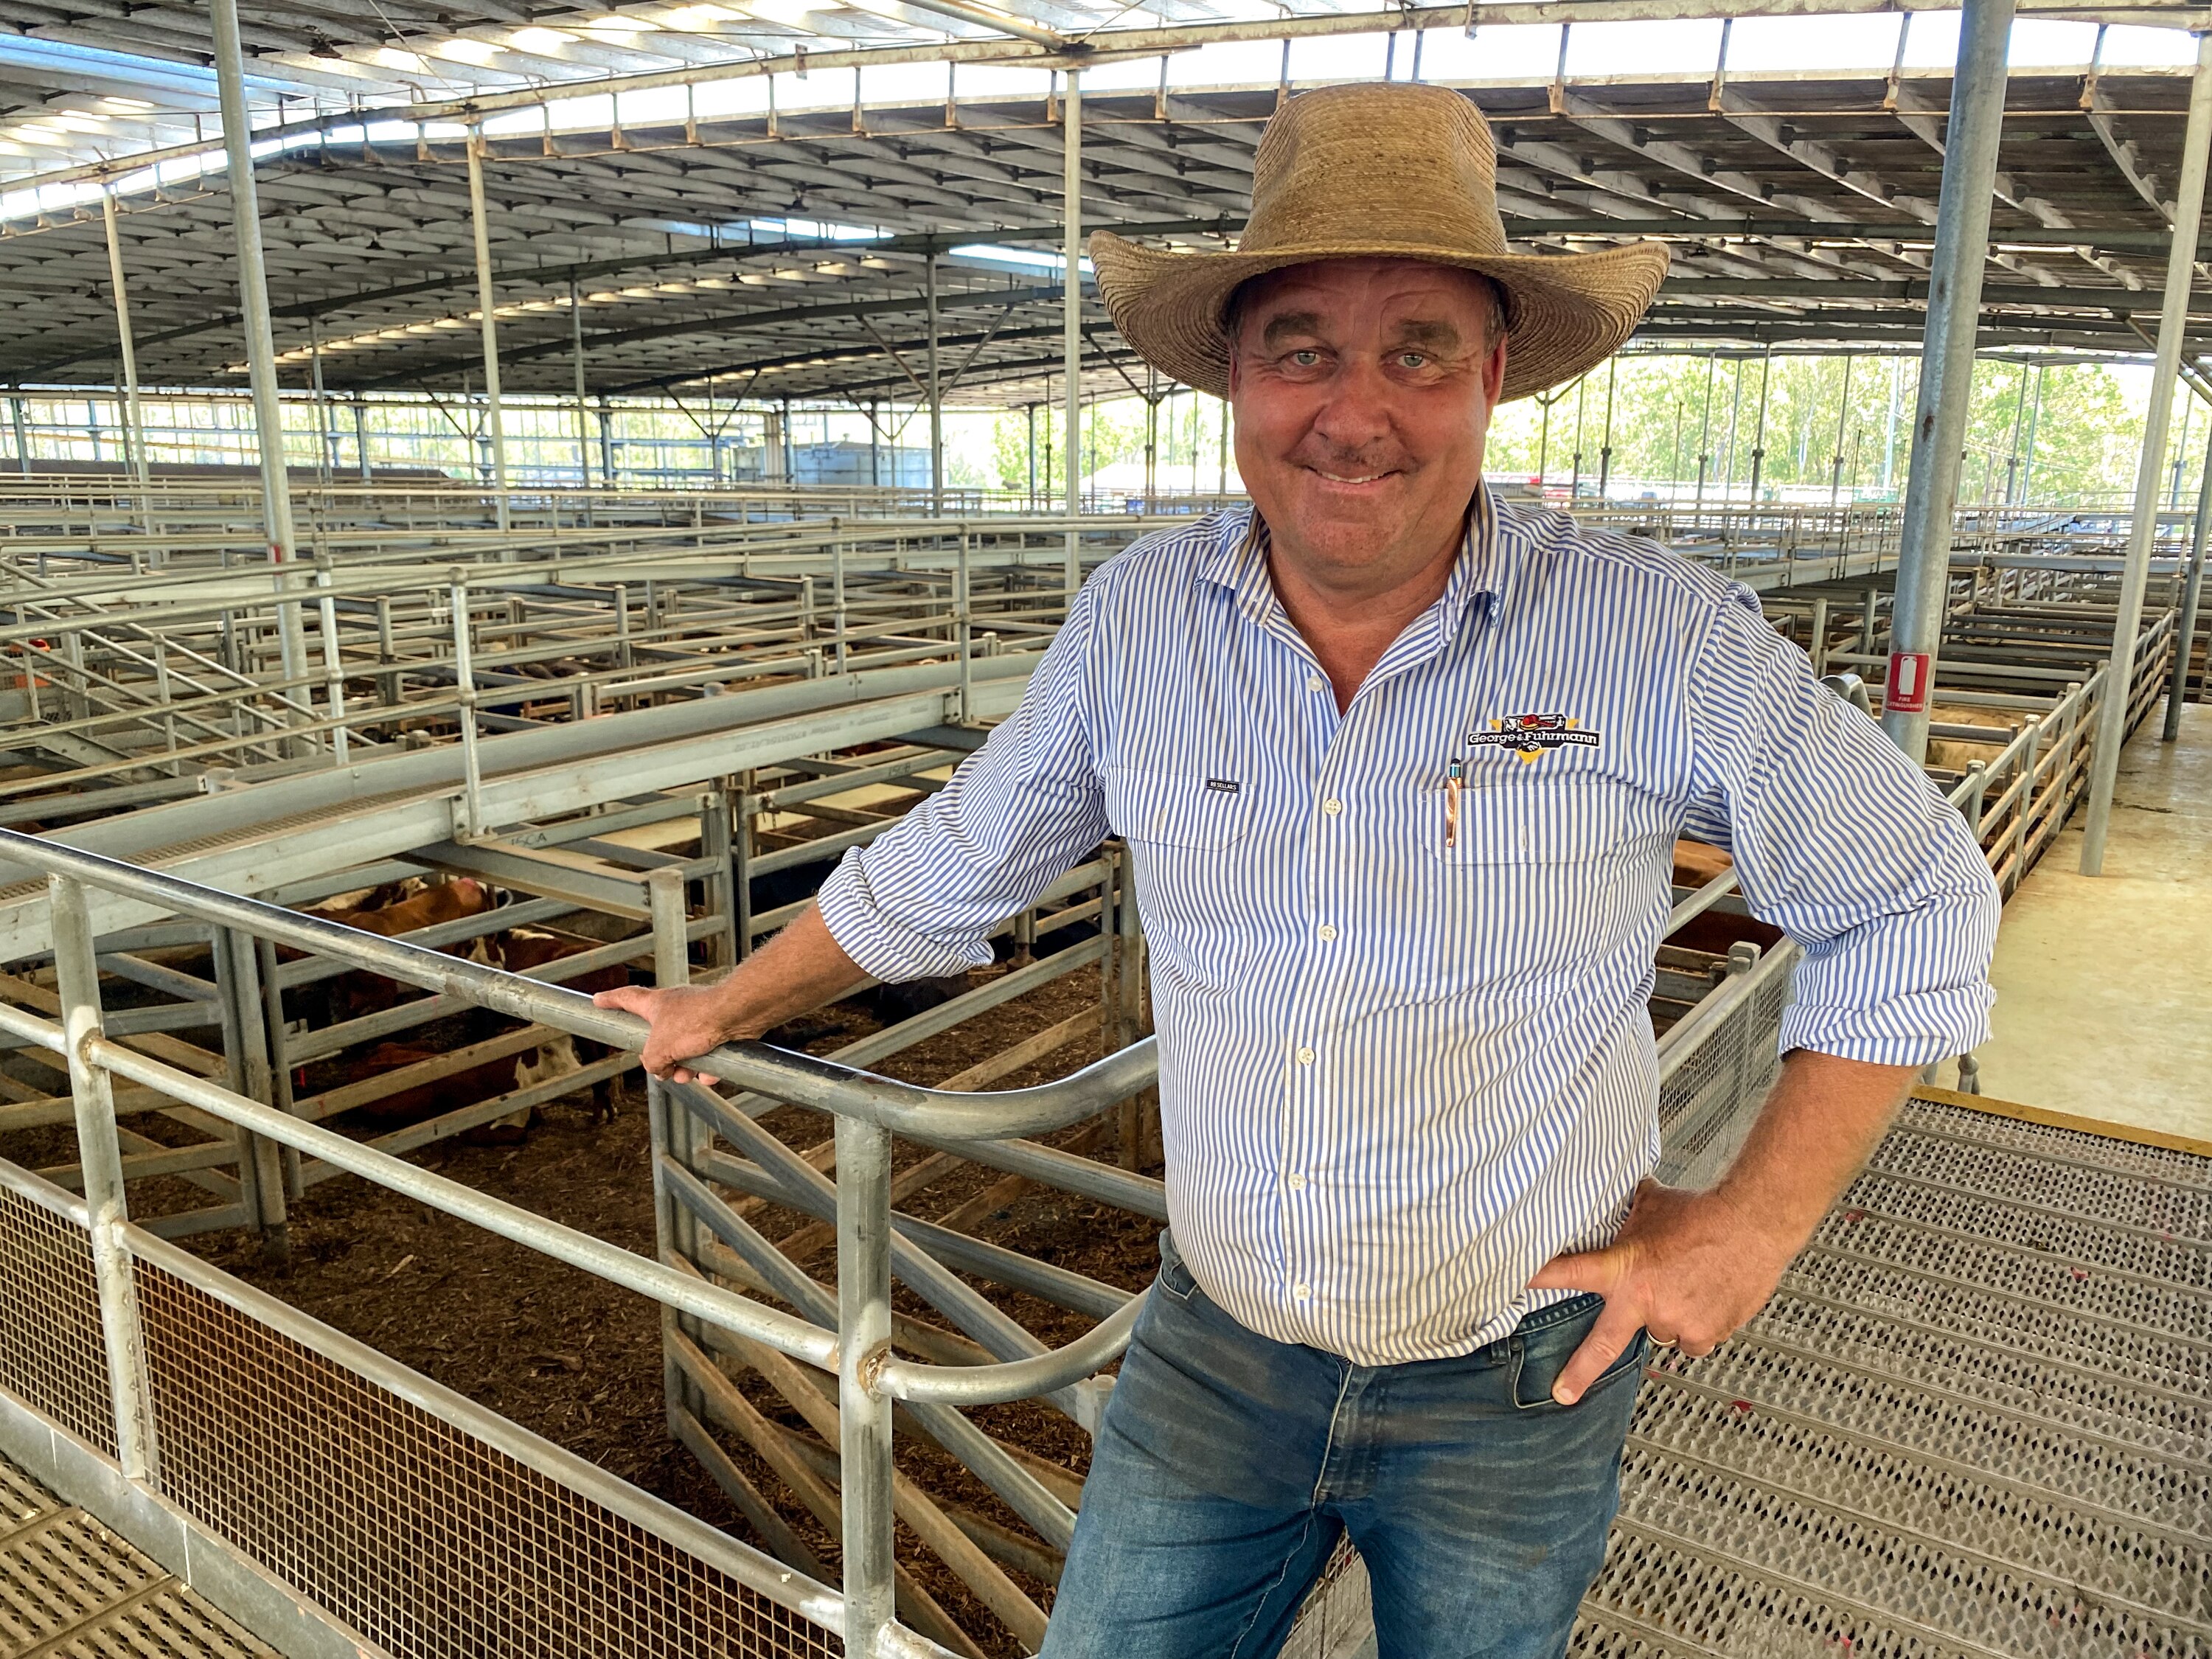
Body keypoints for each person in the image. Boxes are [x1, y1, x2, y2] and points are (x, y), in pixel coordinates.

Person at [598, 80, 2001, 1659]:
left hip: (1518, 1365)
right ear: (1233, 378)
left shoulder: (1654, 634)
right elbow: (954, 861)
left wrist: (1749, 1230)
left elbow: (1915, 894)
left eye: (1417, 350)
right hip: (1220, 1354)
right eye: (1304, 349)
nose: (1356, 409)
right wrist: (730, 999)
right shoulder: (1138, 623)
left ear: (1493, 376)